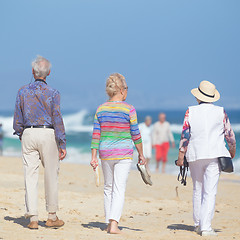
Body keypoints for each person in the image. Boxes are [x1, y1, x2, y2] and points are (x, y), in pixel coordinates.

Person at [176, 80, 236, 237]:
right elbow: (229, 134)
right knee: (210, 191)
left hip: (195, 154)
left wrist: (181, 155)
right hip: (215, 154)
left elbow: (185, 135)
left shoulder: (190, 111)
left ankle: (197, 224)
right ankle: (206, 227)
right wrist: (232, 149)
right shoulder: (220, 111)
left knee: (197, 189)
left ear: (198, 97)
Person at [13, 56, 67, 230]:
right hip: (47, 132)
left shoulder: (22, 91)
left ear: (32, 71)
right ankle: (51, 216)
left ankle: (33, 218)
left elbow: (17, 119)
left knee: (30, 175)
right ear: (49, 73)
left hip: (29, 132)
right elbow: (57, 118)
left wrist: (22, 133)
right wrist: (62, 142)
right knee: (51, 174)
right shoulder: (53, 93)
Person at [90, 73, 146, 234]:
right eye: (126, 88)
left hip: (105, 153)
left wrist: (93, 157)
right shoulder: (129, 109)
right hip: (123, 153)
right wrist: (141, 154)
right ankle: (114, 224)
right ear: (121, 90)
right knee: (118, 188)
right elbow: (136, 134)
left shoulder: (100, 109)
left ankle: (109, 223)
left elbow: (96, 135)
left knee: (108, 187)